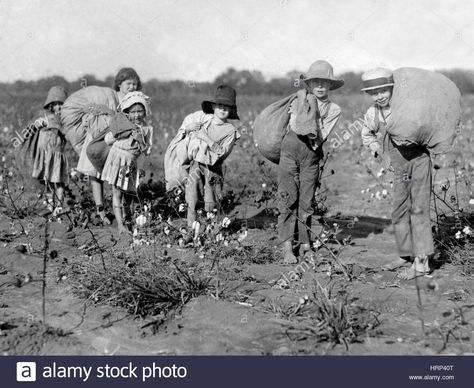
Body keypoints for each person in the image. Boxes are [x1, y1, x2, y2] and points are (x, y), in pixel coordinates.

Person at [360, 67, 434, 279]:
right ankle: (405, 254)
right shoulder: (373, 113)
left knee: (419, 209)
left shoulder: (407, 107)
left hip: (419, 160)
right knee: (399, 210)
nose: (379, 96)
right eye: (374, 93)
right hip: (399, 164)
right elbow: (367, 134)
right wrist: (379, 151)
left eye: (383, 91)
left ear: (392, 89)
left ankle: (421, 264)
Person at [278, 60, 343, 264]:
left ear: (331, 85)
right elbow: (296, 127)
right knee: (288, 198)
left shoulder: (334, 109)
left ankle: (305, 244)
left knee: (306, 202)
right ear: (309, 84)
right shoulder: (298, 100)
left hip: (311, 155)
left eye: (325, 82)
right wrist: (310, 114)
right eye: (316, 82)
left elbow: (320, 135)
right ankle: (287, 246)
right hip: (289, 151)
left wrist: (311, 114)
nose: (321, 86)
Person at [76, 67, 142, 225]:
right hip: (101, 137)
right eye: (128, 83)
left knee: (118, 176)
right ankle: (100, 210)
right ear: (119, 84)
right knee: (95, 175)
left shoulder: (136, 99)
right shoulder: (111, 97)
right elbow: (97, 111)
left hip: (119, 143)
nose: (132, 87)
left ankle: (123, 212)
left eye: (134, 84)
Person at [176, 85, 240, 229]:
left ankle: (211, 231)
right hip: (196, 165)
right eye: (219, 105)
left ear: (231, 110)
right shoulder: (205, 121)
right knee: (192, 198)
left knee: (211, 202)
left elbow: (222, 152)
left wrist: (207, 139)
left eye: (226, 107)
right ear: (213, 107)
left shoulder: (230, 131)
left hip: (213, 169)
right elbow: (188, 139)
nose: (222, 109)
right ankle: (193, 231)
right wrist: (189, 129)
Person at [101, 91, 153, 234]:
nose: (137, 115)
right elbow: (108, 139)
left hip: (131, 163)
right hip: (118, 160)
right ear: (127, 112)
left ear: (145, 111)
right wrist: (122, 135)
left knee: (129, 194)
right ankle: (120, 225)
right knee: (117, 192)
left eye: (140, 111)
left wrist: (140, 139)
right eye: (133, 112)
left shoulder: (147, 129)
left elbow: (147, 151)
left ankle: (127, 219)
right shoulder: (122, 125)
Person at [32, 86, 69, 216]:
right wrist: (40, 123)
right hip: (45, 154)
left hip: (57, 154)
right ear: (51, 106)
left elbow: (67, 135)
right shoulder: (45, 118)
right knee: (46, 180)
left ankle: (59, 206)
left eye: (61, 104)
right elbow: (35, 127)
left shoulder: (65, 120)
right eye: (56, 104)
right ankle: (49, 204)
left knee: (58, 181)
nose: (59, 107)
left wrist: (57, 126)